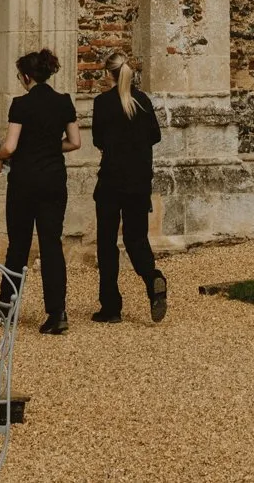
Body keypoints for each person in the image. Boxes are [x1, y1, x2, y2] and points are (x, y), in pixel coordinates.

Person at [0, 46, 78, 334]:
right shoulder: (63, 102)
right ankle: (57, 312)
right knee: (51, 244)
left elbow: (10, 146)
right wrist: (50, 146)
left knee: (18, 244)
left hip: (24, 181)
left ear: (27, 77)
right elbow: (75, 142)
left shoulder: (21, 104)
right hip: (53, 179)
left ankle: (7, 306)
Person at [90, 51, 167, 325]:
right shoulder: (142, 101)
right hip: (138, 181)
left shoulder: (102, 103)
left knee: (107, 243)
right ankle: (152, 277)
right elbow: (155, 135)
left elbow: (98, 139)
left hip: (111, 180)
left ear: (107, 73)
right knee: (136, 239)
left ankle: (111, 306)